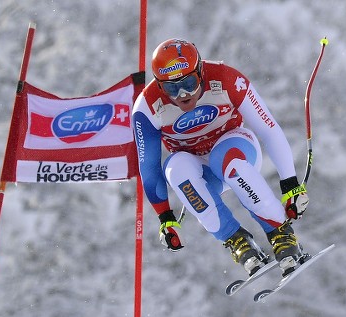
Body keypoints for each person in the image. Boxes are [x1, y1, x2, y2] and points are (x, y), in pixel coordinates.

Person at [132, 38, 309, 276]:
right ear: (160, 86)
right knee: (174, 167)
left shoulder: (226, 79)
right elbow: (149, 166)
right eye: (172, 89)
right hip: (201, 172)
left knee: (223, 158)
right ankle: (238, 242)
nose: (183, 95)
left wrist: (290, 185)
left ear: (201, 72)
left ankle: (281, 234)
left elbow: (268, 128)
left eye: (189, 83)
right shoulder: (147, 106)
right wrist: (165, 217)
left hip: (236, 149)